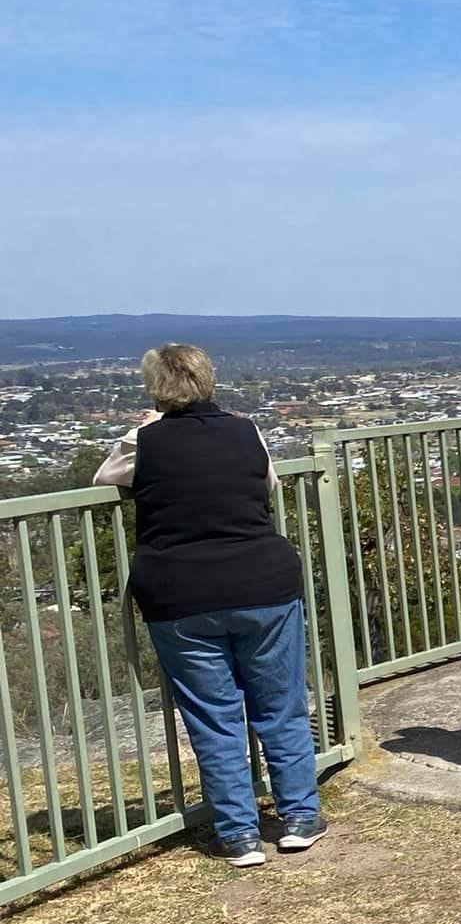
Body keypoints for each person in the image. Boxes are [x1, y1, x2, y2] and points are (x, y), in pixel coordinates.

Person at [93, 344, 322, 867]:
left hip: (180, 595)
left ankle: (238, 834)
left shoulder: (142, 441)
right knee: (280, 705)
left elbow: (104, 481)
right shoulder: (247, 431)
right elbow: (266, 483)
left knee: (214, 717)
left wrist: (143, 430)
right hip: (264, 583)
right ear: (208, 380)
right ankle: (299, 816)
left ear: (158, 387)